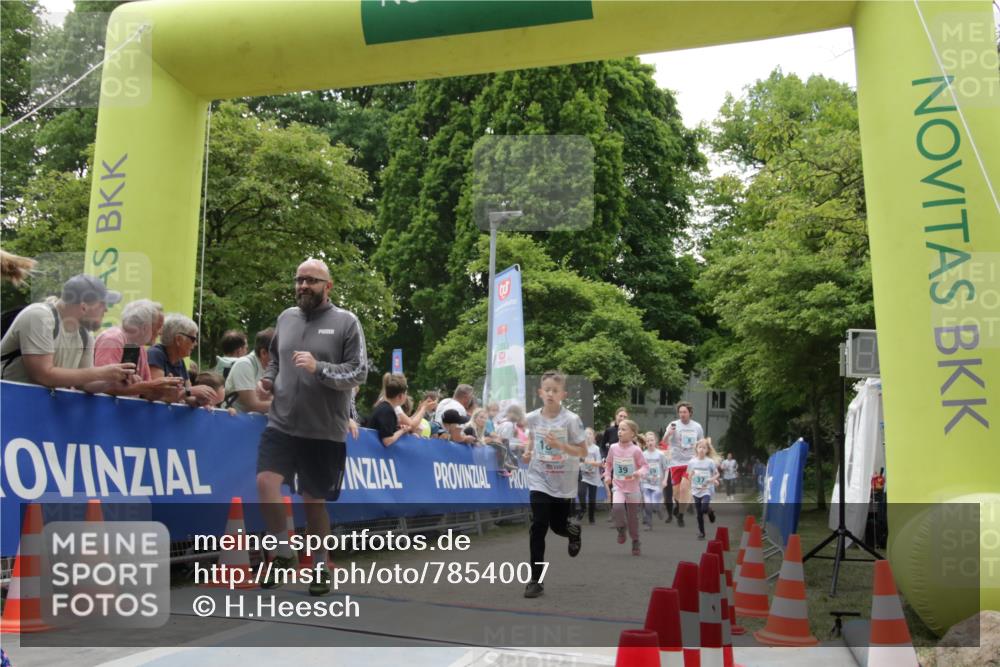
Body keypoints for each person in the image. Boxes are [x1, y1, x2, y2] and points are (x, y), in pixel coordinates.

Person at [254, 258, 367, 596]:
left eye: (312, 281)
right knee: (265, 483)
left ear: (328, 286)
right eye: (299, 279)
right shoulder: (286, 318)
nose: (303, 286)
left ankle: (319, 564)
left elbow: (359, 373)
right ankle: (285, 551)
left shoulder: (347, 322)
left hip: (323, 430)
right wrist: (268, 380)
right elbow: (275, 359)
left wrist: (320, 368)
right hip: (282, 422)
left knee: (313, 503)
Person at [1, 274, 135, 390]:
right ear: (84, 307)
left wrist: (112, 380)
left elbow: (85, 384)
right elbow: (43, 376)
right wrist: (101, 373)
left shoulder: (85, 335)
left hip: (32, 408)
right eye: (102, 304)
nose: (106, 310)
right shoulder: (39, 316)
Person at [522, 371, 586, 598]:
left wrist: (561, 446)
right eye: (546, 389)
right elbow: (531, 438)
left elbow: (583, 451)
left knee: (558, 526)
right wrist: (529, 451)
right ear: (540, 392)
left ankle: (573, 531)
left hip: (563, 480)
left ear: (563, 394)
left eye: (555, 390)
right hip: (539, 478)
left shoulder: (571, 420)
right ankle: (535, 580)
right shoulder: (531, 418)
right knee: (538, 525)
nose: (550, 393)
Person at [93, 299, 183, 400]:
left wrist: (164, 390)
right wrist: (151, 386)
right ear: (145, 328)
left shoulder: (139, 348)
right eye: (158, 327)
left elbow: (144, 393)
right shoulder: (112, 339)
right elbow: (103, 386)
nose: (160, 333)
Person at [147, 314, 217, 407]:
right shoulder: (155, 354)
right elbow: (158, 395)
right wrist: (189, 391)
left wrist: (199, 400)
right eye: (193, 339)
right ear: (178, 339)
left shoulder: (180, 361)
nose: (195, 344)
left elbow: (187, 396)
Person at [604, 419, 648, 556]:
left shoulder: (636, 450)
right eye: (619, 429)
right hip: (618, 486)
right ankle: (621, 528)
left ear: (632, 434)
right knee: (617, 507)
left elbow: (645, 466)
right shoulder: (613, 448)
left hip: (633, 488)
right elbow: (609, 464)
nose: (620, 432)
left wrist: (638, 473)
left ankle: (635, 540)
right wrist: (607, 476)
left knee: (632, 518)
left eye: (624, 429)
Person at [661, 402, 704, 528]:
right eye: (680, 412)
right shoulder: (673, 425)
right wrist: (668, 433)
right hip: (675, 462)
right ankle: (679, 507)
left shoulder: (697, 427)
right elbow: (663, 442)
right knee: (676, 492)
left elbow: (701, 443)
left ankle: (680, 515)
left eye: (684, 412)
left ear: (690, 413)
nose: (682, 414)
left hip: (691, 462)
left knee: (686, 488)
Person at [224, 327, 274, 414]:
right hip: (233, 423)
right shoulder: (244, 364)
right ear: (263, 353)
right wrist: (284, 406)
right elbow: (252, 406)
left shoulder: (269, 368)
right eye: (278, 354)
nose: (282, 357)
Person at [687, 438, 720, 539]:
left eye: (704, 448)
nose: (701, 449)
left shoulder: (710, 462)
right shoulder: (692, 462)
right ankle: (702, 532)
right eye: (700, 447)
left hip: (706, 489)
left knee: (704, 508)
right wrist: (691, 475)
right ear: (696, 448)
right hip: (696, 490)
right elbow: (689, 476)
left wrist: (713, 479)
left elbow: (717, 473)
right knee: (699, 513)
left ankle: (709, 512)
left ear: (707, 450)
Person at [368, 373, 412, 447]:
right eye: (405, 394)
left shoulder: (384, 407)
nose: (406, 397)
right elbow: (387, 441)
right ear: (400, 396)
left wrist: (397, 429)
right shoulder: (387, 411)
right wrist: (402, 431)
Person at [641, 431, 667, 530]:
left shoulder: (660, 454)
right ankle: (649, 524)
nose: (650, 442)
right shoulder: (643, 455)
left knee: (655, 504)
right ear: (645, 443)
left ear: (655, 441)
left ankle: (659, 509)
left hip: (658, 483)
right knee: (647, 504)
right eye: (648, 441)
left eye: (651, 440)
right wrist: (642, 475)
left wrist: (664, 480)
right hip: (646, 482)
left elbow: (666, 468)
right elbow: (641, 467)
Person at [577, 427, 602, 524]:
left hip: (594, 476)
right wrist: (581, 464)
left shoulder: (596, 449)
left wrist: (590, 463)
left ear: (593, 436)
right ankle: (583, 508)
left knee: (592, 498)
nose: (587, 435)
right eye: (586, 434)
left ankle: (591, 517)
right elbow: (578, 460)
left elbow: (599, 463)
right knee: (581, 493)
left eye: (590, 434)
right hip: (584, 476)